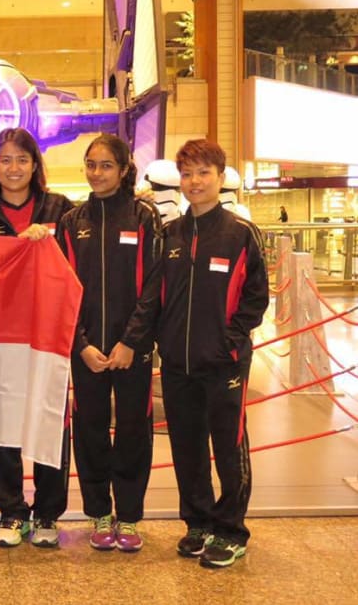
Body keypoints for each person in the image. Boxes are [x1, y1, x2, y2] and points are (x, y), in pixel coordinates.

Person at [157, 139, 268, 568]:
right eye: (187, 174)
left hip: (225, 364)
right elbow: (158, 295)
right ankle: (198, 522)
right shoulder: (170, 235)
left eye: (204, 173)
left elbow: (256, 296)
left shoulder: (240, 233)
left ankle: (232, 528)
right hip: (178, 363)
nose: (195, 182)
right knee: (186, 447)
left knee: (229, 444)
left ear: (220, 178)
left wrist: (231, 339)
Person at [0, 127, 73, 548]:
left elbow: (73, 269)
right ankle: (10, 511)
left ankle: (47, 512)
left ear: (35, 165)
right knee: (0, 424)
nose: (14, 168)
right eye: (5, 160)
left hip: (47, 333)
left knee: (49, 421)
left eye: (22, 160)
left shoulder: (60, 209)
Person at [56, 134, 162, 553]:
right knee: (90, 431)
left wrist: (131, 342)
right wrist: (80, 344)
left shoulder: (144, 218)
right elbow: (63, 290)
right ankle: (99, 511)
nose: (96, 173)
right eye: (91, 164)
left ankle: (130, 516)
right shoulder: (72, 222)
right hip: (86, 354)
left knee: (134, 431)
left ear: (123, 170)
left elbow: (155, 285)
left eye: (105, 165)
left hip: (131, 352)